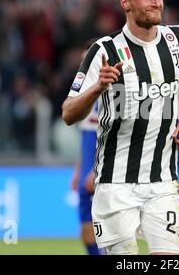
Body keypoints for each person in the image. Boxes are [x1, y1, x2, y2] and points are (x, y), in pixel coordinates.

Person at [62, 0, 179, 255]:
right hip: (114, 184)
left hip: (162, 181)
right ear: (126, 2)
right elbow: (68, 112)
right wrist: (97, 88)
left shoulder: (177, 39)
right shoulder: (103, 50)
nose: (156, 1)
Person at [70, 106, 104, 255]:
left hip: (104, 169)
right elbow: (86, 137)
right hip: (87, 170)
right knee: (86, 231)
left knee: (109, 231)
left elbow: (119, 132)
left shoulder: (107, 87)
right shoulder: (86, 90)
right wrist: (78, 170)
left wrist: (99, 168)